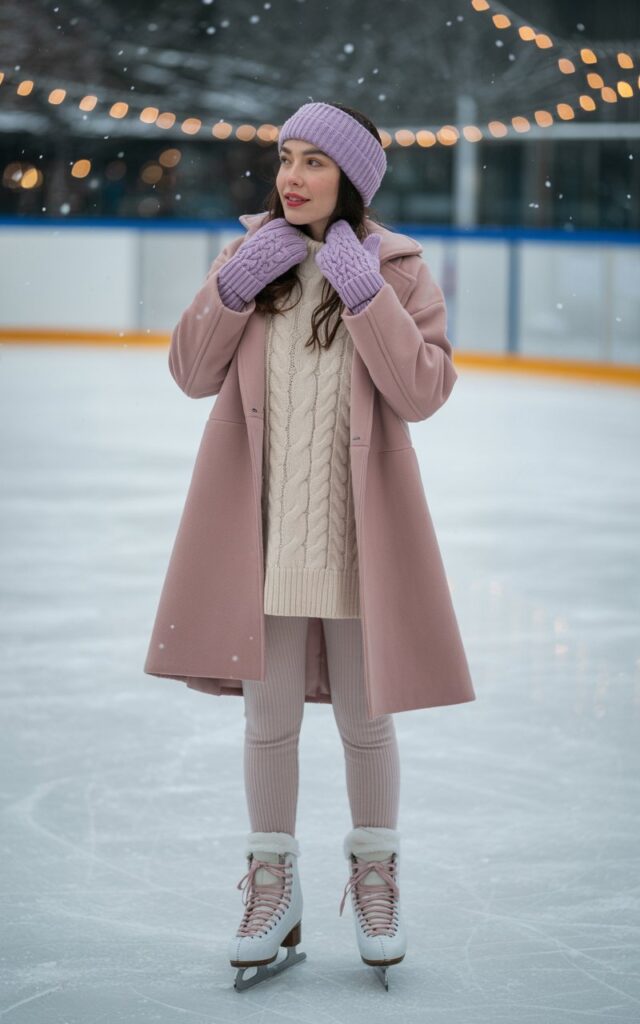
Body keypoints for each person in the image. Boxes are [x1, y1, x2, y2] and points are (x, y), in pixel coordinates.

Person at [143, 99, 476, 990]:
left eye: (312, 162)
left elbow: (423, 390)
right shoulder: (252, 262)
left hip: (362, 543)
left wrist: (365, 294)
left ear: (352, 180)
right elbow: (188, 371)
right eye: (285, 158)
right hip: (262, 540)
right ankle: (272, 885)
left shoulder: (397, 269)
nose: (291, 176)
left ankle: (375, 879)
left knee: (369, 726)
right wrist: (236, 282)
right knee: (270, 724)